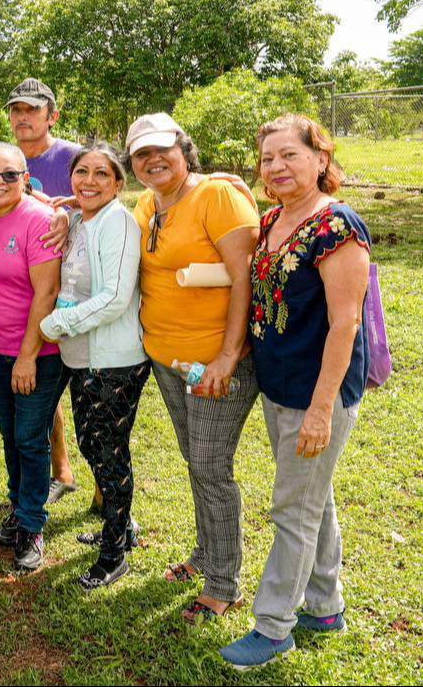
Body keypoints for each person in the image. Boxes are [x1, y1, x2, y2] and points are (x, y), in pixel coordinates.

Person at [220, 114, 372, 670]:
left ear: (320, 159)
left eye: (290, 155)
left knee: (292, 508)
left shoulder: (338, 226)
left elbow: (344, 325)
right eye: (267, 159)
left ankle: (273, 626)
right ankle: (325, 607)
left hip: (317, 391)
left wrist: (321, 409)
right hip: (278, 385)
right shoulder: (272, 220)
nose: (277, 167)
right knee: (314, 498)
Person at [129, 112, 261, 624]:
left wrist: (229, 356)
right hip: (167, 357)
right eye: (141, 154)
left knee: (211, 468)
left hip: (214, 362)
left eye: (163, 149)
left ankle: (224, 583)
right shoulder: (146, 202)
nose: (153, 160)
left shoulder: (217, 196)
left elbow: (244, 277)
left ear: (184, 150)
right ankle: (206, 554)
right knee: (195, 460)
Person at [39, 144, 149, 589]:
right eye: (81, 172)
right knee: (93, 444)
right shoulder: (85, 221)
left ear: (119, 183)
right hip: (82, 357)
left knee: (108, 454)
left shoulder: (117, 221)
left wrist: (55, 322)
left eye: (101, 174)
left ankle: (114, 554)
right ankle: (120, 528)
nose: (89, 181)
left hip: (113, 361)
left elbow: (116, 296)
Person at [0, 142, 63, 572]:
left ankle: (32, 523)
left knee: (30, 437)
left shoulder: (40, 219)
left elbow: (46, 293)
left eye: (11, 175)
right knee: (10, 434)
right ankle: (18, 505)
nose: (0, 183)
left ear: (26, 178)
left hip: (39, 351)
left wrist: (28, 355)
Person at [3, 78, 85, 506]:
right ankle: (61, 469)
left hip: (81, 289)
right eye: (16, 110)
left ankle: (110, 497)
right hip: (30, 290)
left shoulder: (72, 156)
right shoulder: (7, 162)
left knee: (88, 392)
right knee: (41, 387)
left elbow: (107, 194)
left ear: (52, 115)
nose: (22, 117)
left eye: (31, 110)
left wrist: (64, 207)